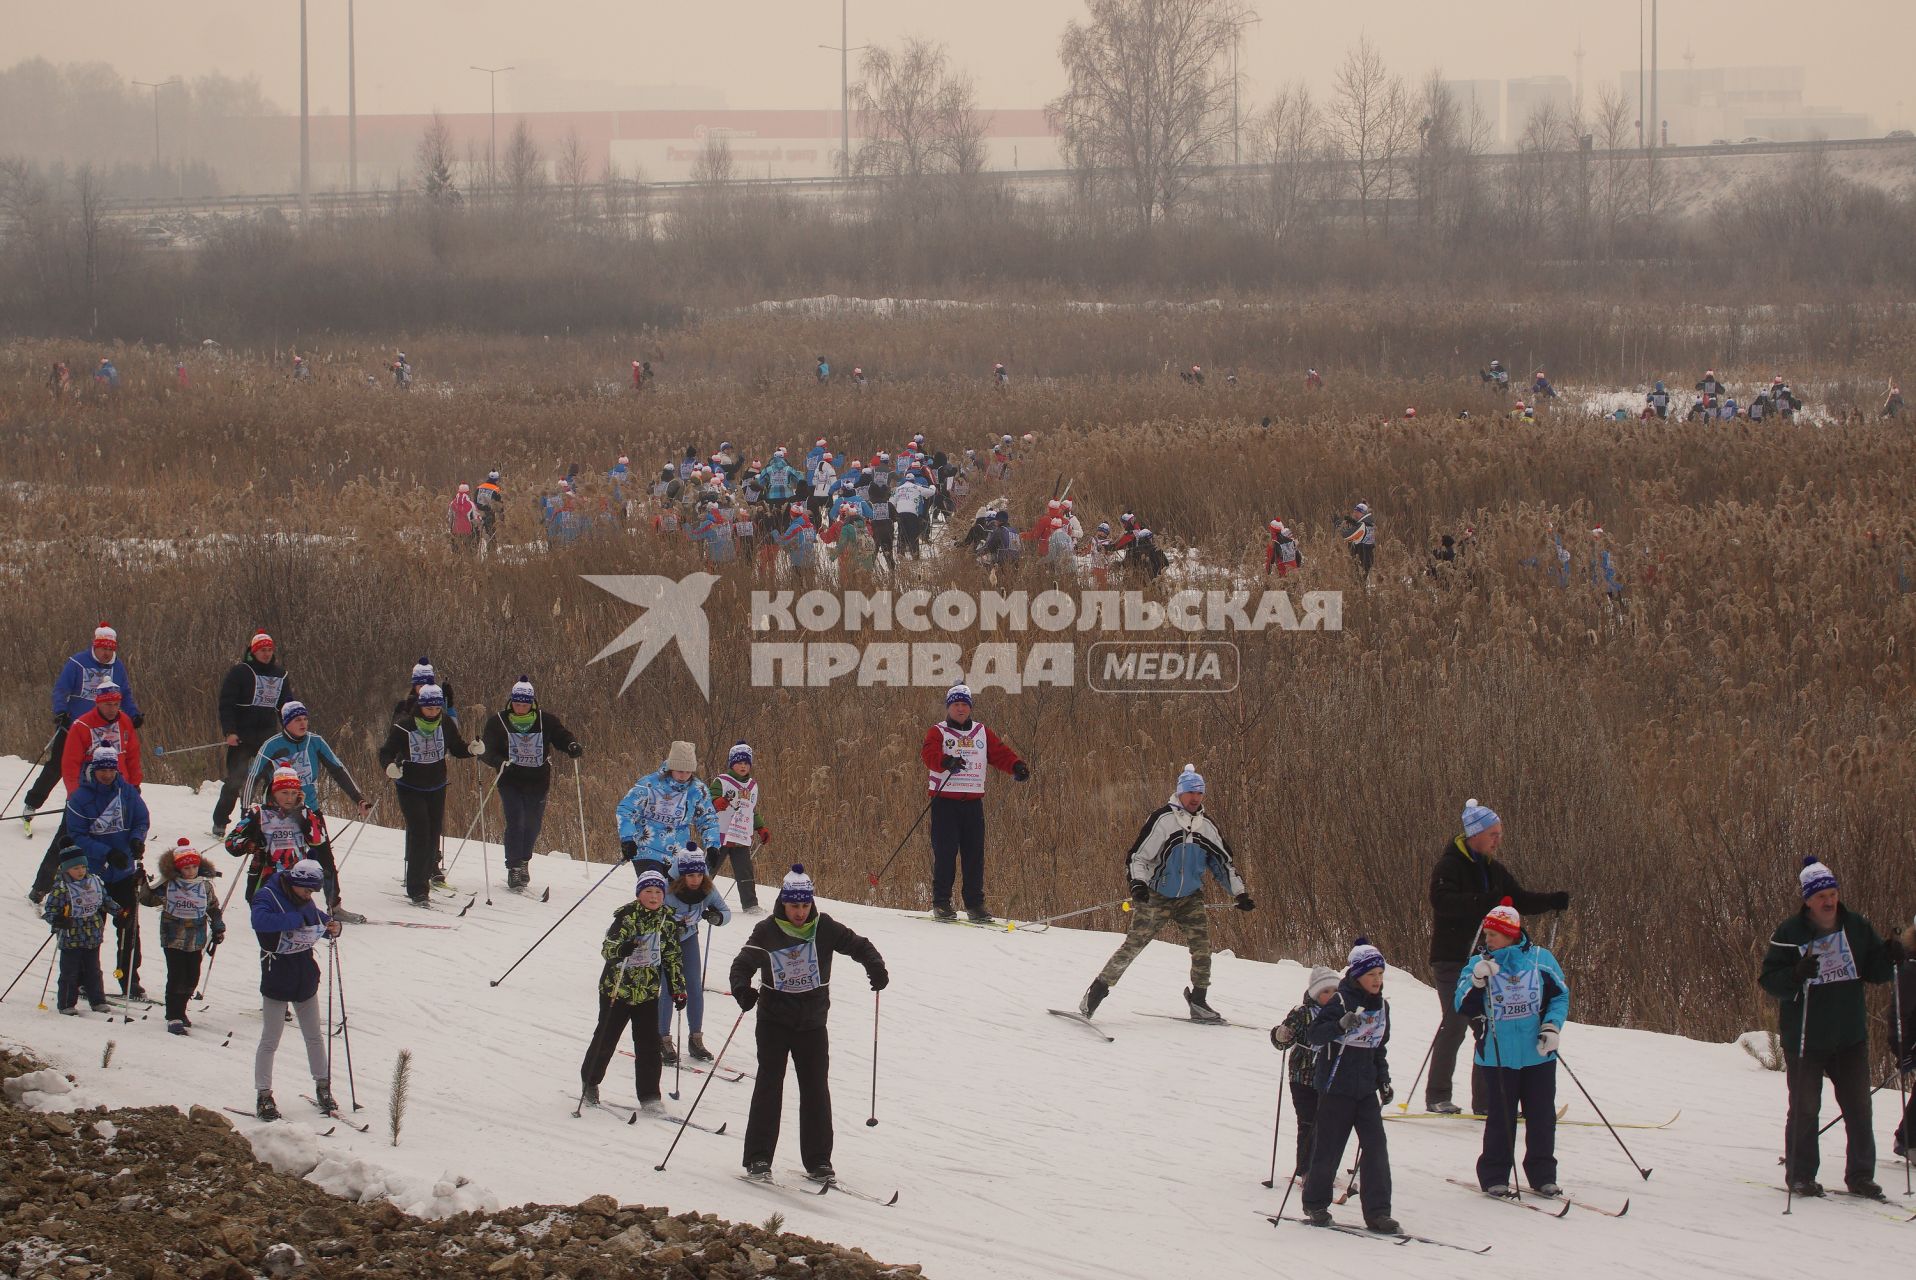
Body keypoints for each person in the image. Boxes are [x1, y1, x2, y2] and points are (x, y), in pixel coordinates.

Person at [730, 866, 888, 1181]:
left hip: (813, 1023)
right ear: (783, 904)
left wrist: (875, 966)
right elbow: (742, 964)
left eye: (804, 906)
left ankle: (818, 1161)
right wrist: (742, 991)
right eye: (794, 906)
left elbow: (860, 945)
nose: (800, 912)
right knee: (769, 1086)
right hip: (774, 1021)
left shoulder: (824, 927)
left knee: (815, 1090)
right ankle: (758, 1158)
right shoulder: (768, 930)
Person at [1759, 856, 1902, 1199]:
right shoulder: (1790, 933)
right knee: (1806, 1108)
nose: (1829, 901)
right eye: (1821, 895)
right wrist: (1795, 974)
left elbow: (1875, 971)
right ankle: (1801, 1175)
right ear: (1808, 899)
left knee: (1859, 1107)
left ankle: (1861, 1176)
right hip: (1806, 1037)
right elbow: (1769, 980)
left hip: (1848, 1035)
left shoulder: (1856, 926)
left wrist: (1891, 955)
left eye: (1833, 893)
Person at [1425, 799, 1569, 1116]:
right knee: (1456, 1021)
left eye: (1499, 834)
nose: (1498, 840)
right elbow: (1442, 902)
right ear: (1475, 834)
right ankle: (1438, 1095)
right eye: (1493, 834)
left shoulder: (1493, 868)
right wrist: (1482, 901)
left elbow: (1518, 900)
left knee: (1486, 1024)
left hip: (1485, 960)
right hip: (1452, 957)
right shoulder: (1450, 866)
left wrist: (1551, 901)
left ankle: (1488, 1103)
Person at [1079, 764, 1253, 1022]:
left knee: (1202, 947)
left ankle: (1199, 1001)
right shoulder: (1163, 820)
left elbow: (1222, 864)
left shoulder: (1206, 827)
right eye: (1191, 793)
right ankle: (1094, 995)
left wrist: (1240, 894)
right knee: (1133, 945)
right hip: (1156, 895)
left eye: (1200, 793)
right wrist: (1138, 884)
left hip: (1190, 898)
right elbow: (1139, 857)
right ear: (1180, 793)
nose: (1195, 798)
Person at [1455, 899, 1570, 1197]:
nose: (1487, 939)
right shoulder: (1479, 964)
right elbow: (1460, 1003)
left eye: (1493, 934)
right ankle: (1495, 1176)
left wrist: (1552, 1026)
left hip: (1538, 1054)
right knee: (1501, 1118)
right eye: (1487, 934)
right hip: (1497, 1055)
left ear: (1510, 934)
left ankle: (1543, 1174)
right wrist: (1477, 981)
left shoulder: (1541, 959)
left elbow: (1560, 996)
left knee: (1542, 1115)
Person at [1300, 940, 1397, 1234]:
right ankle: (1316, 1203)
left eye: (1380, 974)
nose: (1377, 981)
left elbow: (1378, 1047)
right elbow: (1315, 1035)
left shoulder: (1382, 1007)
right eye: (1371, 975)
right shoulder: (1340, 1001)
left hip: (1365, 1089)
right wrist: (1340, 1025)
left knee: (1376, 1148)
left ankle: (1378, 1212)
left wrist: (1384, 1080)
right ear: (1357, 976)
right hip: (1336, 1087)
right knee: (1329, 1149)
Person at [28, 679, 146, 905]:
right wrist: (74, 794)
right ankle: (42, 886)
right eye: (109, 704)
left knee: (122, 836)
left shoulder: (125, 723)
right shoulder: (82, 725)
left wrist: (135, 784)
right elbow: (70, 763)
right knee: (68, 839)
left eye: (117, 704)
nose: (113, 709)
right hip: (86, 793)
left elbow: (132, 754)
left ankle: (120, 885)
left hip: (119, 790)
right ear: (99, 703)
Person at [579, 869, 687, 1113]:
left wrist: (678, 988)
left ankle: (649, 1094)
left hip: (647, 992)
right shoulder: (626, 917)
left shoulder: (667, 921)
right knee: (606, 1038)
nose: (653, 896)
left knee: (649, 1044)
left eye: (658, 892)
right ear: (639, 894)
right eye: (648, 891)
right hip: (618, 990)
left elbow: (672, 957)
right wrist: (622, 949)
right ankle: (590, 1081)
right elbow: (608, 949)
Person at [919, 684, 1028, 923]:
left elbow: (999, 753)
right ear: (949, 707)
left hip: (972, 804)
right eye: (956, 704)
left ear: (970, 708)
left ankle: (975, 904)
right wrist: (946, 761)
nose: (960, 709)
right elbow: (928, 755)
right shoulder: (938, 732)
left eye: (964, 705)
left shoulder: (981, 732)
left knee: (974, 854)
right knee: (946, 852)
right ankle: (941, 903)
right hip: (945, 802)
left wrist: (1016, 765)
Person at [23, 623, 140, 832]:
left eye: (111, 650)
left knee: (106, 769)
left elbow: (126, 695)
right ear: (95, 646)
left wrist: (134, 714)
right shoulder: (77, 662)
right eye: (104, 649)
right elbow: (61, 689)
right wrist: (61, 712)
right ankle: (32, 803)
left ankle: (108, 812)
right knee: (57, 766)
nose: (107, 654)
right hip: (74, 727)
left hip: (105, 730)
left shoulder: (117, 667)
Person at [250, 858, 342, 1120]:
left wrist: (332, 927)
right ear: (295, 883)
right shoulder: (267, 895)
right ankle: (264, 1094)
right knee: (271, 1038)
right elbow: (260, 921)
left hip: (304, 974)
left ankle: (323, 1085)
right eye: (306, 890)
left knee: (314, 1036)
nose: (308, 895)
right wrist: (294, 919)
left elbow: (317, 920)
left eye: (312, 892)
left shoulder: (304, 899)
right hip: (277, 973)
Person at [377, 684, 479, 906]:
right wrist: (389, 768)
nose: (433, 712)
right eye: (429, 708)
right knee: (420, 833)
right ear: (420, 706)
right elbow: (386, 752)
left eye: (436, 708)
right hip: (410, 787)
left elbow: (457, 747)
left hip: (436, 786)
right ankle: (417, 889)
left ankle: (423, 880)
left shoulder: (445, 724)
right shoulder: (405, 727)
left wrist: (471, 749)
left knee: (433, 836)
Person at [478, 677, 583, 892]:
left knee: (533, 824)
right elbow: (485, 751)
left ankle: (524, 860)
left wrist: (571, 745)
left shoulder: (546, 721)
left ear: (532, 703)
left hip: (537, 780)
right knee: (516, 819)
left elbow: (561, 736)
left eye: (525, 704)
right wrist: (500, 762)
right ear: (511, 702)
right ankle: (514, 867)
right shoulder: (498, 721)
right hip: (510, 780)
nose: (521, 708)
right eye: (517, 704)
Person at [64, 745, 151, 1001]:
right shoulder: (80, 798)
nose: (106, 774)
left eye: (111, 769)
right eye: (102, 769)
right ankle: (83, 980)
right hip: (91, 876)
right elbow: (76, 836)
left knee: (128, 928)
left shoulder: (127, 792)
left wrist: (136, 840)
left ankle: (128, 980)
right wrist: (105, 852)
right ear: (94, 768)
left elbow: (141, 819)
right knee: (90, 929)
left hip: (123, 873)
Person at [137, 838, 226, 1035]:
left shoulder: (204, 886)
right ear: (178, 869)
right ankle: (173, 1015)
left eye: (195, 867)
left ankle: (182, 1009)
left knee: (192, 976)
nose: (191, 871)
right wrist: (143, 883)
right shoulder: (169, 885)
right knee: (177, 975)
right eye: (187, 868)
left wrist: (218, 925)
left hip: (196, 939)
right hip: (173, 937)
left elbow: (212, 907)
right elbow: (146, 899)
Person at [212, 631, 292, 838]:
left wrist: (289, 731)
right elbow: (226, 703)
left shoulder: (280, 675)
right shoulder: (241, 672)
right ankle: (220, 821)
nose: (266, 654)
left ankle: (269, 821)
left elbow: (286, 706)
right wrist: (229, 731)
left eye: (269, 650)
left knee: (272, 779)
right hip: (242, 736)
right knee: (236, 779)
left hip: (267, 736)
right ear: (253, 652)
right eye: (262, 650)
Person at [658, 848, 732, 1064]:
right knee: (669, 988)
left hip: (689, 939)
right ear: (681, 874)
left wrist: (716, 917)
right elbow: (651, 910)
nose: (695, 880)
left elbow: (725, 912)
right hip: (666, 942)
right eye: (690, 875)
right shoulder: (666, 888)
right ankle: (662, 1038)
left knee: (693, 987)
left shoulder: (707, 888)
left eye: (699, 875)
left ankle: (695, 1039)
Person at [1270, 966, 1341, 1178]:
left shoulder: (1340, 1014)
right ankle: (1306, 1170)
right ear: (1315, 993)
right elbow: (1282, 1040)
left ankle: (1323, 1168)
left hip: (1328, 1079)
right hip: (1302, 1078)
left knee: (1327, 1123)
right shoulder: (1302, 1013)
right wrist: (1280, 1035)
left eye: (1335, 991)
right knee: (1308, 1122)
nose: (1330, 996)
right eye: (1325, 992)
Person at [616, 741, 719, 880]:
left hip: (677, 854)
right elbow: (626, 810)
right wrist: (628, 839)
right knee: (654, 890)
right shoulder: (650, 784)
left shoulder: (697, 790)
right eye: (680, 771)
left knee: (672, 899)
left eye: (688, 772)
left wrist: (713, 845)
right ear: (671, 768)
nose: (683, 776)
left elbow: (708, 819)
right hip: (647, 849)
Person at [225, 765, 327, 901]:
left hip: (297, 880)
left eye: (294, 793)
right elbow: (231, 841)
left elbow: (319, 839)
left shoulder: (303, 812)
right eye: (284, 793)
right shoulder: (259, 813)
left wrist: (302, 810)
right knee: (268, 918)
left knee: (295, 919)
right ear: (274, 792)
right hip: (264, 879)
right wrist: (248, 844)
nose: (289, 798)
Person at [42, 849, 111, 1015]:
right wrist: (58, 919)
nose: (80, 871)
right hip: (70, 937)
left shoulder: (94, 882)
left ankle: (97, 1001)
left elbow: (105, 901)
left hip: (92, 935)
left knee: (93, 970)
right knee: (70, 972)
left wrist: (122, 912)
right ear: (66, 869)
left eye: (83, 867)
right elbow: (50, 910)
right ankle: (66, 1003)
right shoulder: (61, 887)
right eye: (75, 868)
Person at [709, 742, 770, 913]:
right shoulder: (722, 781)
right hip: (721, 834)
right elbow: (709, 798)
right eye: (739, 763)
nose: (743, 766)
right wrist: (716, 801)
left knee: (745, 872)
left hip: (741, 835)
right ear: (731, 764)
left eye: (746, 763)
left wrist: (761, 827)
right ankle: (696, 899)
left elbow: (751, 809)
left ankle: (750, 904)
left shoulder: (752, 785)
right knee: (710, 868)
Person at [1343, 503, 1376, 580]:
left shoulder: (1366, 525)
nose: (1354, 514)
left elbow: (1350, 535)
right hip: (1360, 559)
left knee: (1362, 584)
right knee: (1359, 583)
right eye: (1354, 512)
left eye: (1357, 512)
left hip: (1364, 560)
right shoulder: (1366, 523)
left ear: (1362, 513)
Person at [448, 484, 478, 549]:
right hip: (468, 531)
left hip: (455, 530)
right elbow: (476, 518)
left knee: (455, 552)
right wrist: (476, 528)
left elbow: (450, 518)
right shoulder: (471, 504)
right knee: (469, 552)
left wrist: (450, 528)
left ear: (458, 491)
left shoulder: (452, 503)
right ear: (468, 492)